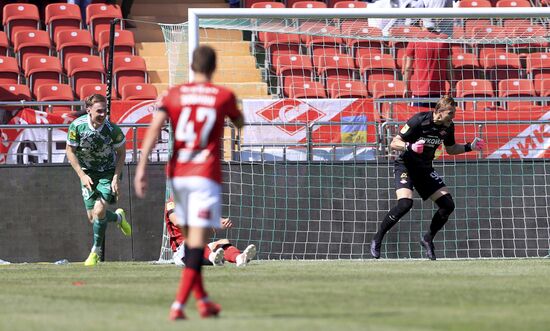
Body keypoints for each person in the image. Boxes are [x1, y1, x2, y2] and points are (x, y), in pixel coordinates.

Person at [134, 45, 244, 320]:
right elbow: (239, 123)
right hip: (205, 173)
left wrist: (142, 167)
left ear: (192, 66)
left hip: (179, 174)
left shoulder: (174, 94)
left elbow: (154, 129)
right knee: (196, 243)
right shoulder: (223, 95)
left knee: (193, 244)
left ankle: (203, 301)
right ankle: (179, 305)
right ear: (213, 66)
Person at [370, 96, 485, 260]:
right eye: (450, 113)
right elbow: (394, 143)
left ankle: (428, 238)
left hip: (424, 168)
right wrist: (409, 146)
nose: (453, 117)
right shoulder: (419, 120)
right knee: (405, 204)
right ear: (439, 111)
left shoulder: (448, 127)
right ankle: (378, 237)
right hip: (406, 166)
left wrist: (469, 147)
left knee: (447, 205)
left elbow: (451, 149)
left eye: (454, 113)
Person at [66, 94, 132, 266]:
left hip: (108, 173)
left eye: (105, 111)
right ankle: (118, 218)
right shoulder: (77, 127)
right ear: (88, 110)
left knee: (99, 210)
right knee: (93, 217)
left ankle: (95, 251)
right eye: (99, 111)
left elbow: (122, 153)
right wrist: (82, 175)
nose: (103, 114)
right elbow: (70, 151)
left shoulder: (112, 129)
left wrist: (116, 177)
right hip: (87, 173)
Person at [165, 199, 257, 267]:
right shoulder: (171, 202)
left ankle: (239, 258)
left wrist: (222, 222)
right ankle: (213, 257)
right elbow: (176, 221)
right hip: (182, 254)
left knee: (223, 242)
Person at [403, 21, 450, 109]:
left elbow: (408, 68)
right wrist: (453, 85)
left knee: (418, 120)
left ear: (421, 22)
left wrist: (406, 87)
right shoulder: (444, 39)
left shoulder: (416, 38)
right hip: (439, 91)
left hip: (419, 91)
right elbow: (449, 66)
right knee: (437, 121)